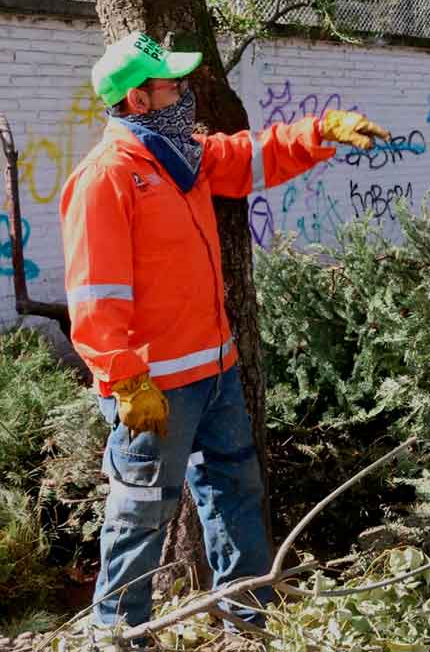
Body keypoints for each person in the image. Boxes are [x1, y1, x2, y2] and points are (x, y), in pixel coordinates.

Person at [59, 31, 389, 633]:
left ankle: (249, 619)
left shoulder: (185, 158)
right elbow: (94, 297)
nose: (186, 94)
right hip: (156, 391)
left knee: (235, 491)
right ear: (138, 101)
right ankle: (116, 633)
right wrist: (125, 380)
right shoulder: (106, 178)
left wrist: (320, 131)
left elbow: (251, 155)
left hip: (217, 371)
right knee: (140, 514)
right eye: (174, 86)